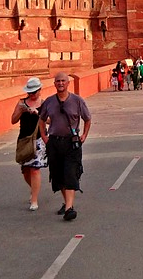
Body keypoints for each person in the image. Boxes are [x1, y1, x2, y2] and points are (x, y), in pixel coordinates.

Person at [38, 72, 92, 222]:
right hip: (54, 142)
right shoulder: (49, 102)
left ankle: (69, 208)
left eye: (63, 81)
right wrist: (44, 136)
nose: (60, 83)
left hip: (71, 142)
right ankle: (67, 203)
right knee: (58, 175)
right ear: (54, 84)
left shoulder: (77, 101)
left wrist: (84, 136)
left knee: (70, 173)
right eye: (58, 81)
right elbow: (41, 120)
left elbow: (87, 119)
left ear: (68, 83)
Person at [11, 77, 48, 211]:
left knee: (35, 169)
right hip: (24, 139)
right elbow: (13, 120)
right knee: (26, 170)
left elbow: (49, 120)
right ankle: (34, 189)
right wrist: (21, 111)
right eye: (30, 92)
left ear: (39, 90)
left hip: (38, 139)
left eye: (34, 92)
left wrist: (38, 114)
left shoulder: (44, 104)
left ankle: (34, 199)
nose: (32, 95)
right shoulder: (21, 103)